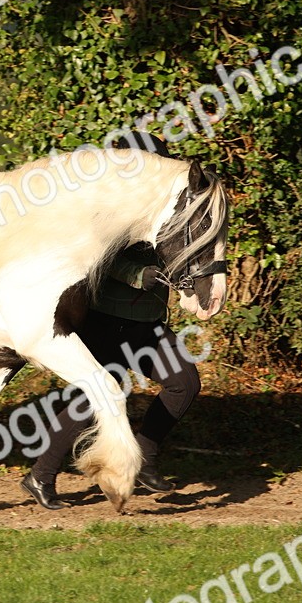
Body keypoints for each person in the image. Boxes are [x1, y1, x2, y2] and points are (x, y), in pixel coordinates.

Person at [20, 136, 203, 510]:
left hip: (149, 324)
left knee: (184, 383)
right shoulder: (111, 206)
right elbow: (96, 256)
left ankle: (145, 459)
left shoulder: (163, 209)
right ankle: (40, 475)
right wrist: (136, 275)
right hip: (106, 321)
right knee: (94, 398)